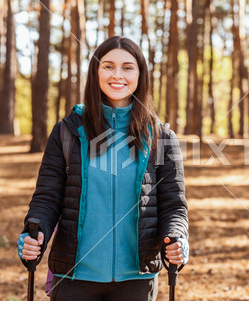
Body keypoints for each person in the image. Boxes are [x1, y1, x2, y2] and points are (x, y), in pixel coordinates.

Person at [17, 36, 189, 301]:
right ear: (95, 72)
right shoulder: (68, 131)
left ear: (140, 74)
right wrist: (35, 232)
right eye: (108, 66)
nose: (117, 74)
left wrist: (177, 237)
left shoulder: (160, 137)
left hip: (137, 280)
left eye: (127, 67)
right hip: (74, 278)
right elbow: (47, 198)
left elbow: (173, 205)